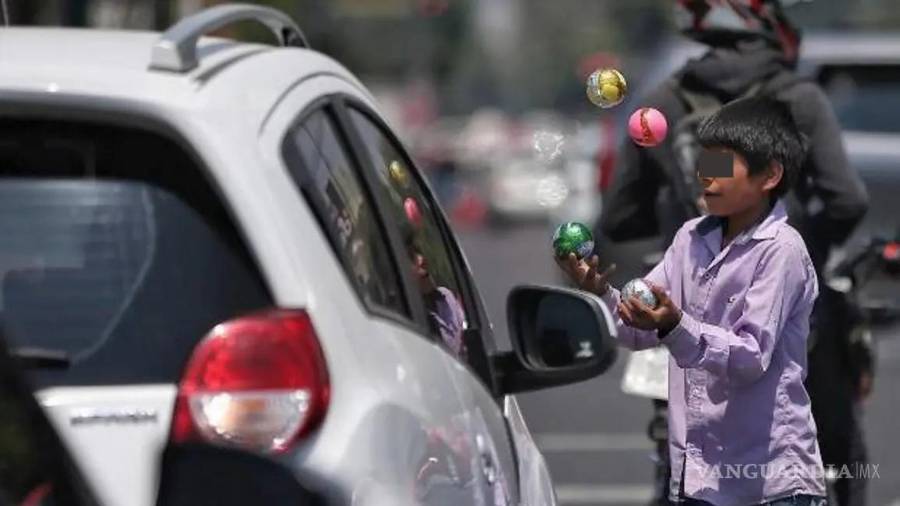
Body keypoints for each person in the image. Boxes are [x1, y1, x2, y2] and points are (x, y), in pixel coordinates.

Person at [597, 1, 871, 504]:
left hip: (678, 309)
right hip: (755, 360)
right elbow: (847, 197)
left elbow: (617, 218)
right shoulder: (799, 99)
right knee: (831, 437)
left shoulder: (662, 101)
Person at [560, 95, 826, 506]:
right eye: (704, 164)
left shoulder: (781, 251)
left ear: (770, 175)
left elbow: (749, 357)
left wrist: (673, 325)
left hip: (770, 486)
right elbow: (640, 326)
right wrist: (601, 293)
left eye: (722, 166)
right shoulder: (690, 239)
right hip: (698, 480)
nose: (706, 177)